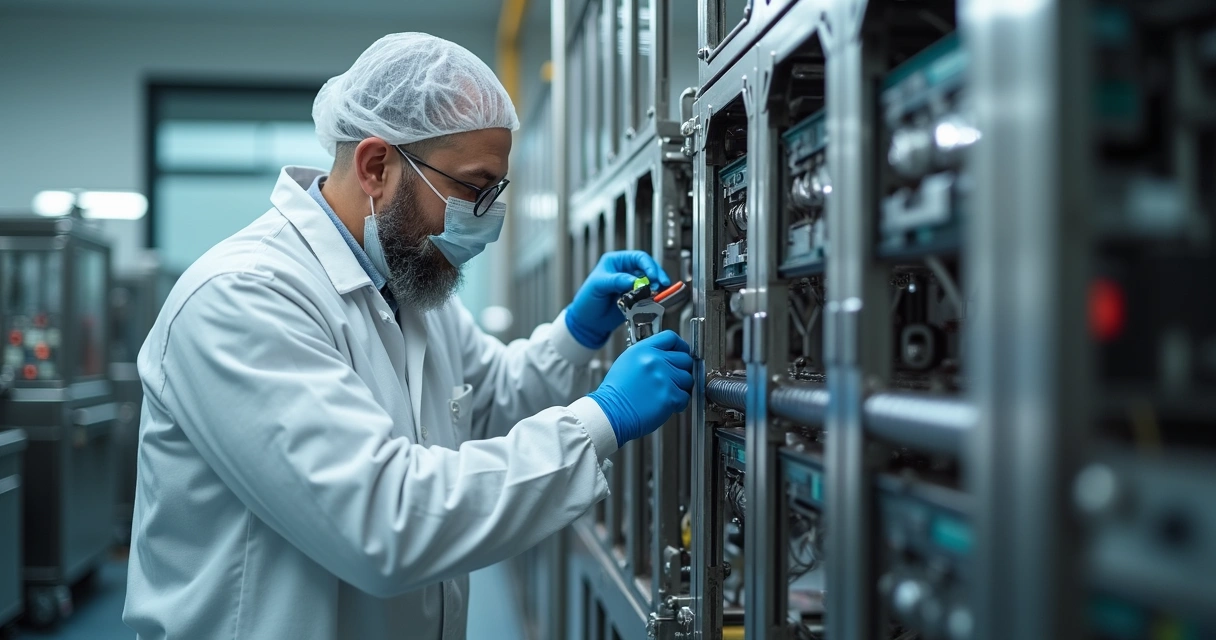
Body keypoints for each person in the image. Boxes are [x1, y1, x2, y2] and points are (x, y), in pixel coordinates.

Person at [122, 33, 694, 640]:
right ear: (376, 166)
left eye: (496, 192)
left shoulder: (407, 282)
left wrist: (577, 334)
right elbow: (385, 521)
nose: (488, 219)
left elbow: (491, 398)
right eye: (475, 189)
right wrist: (602, 418)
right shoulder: (242, 298)